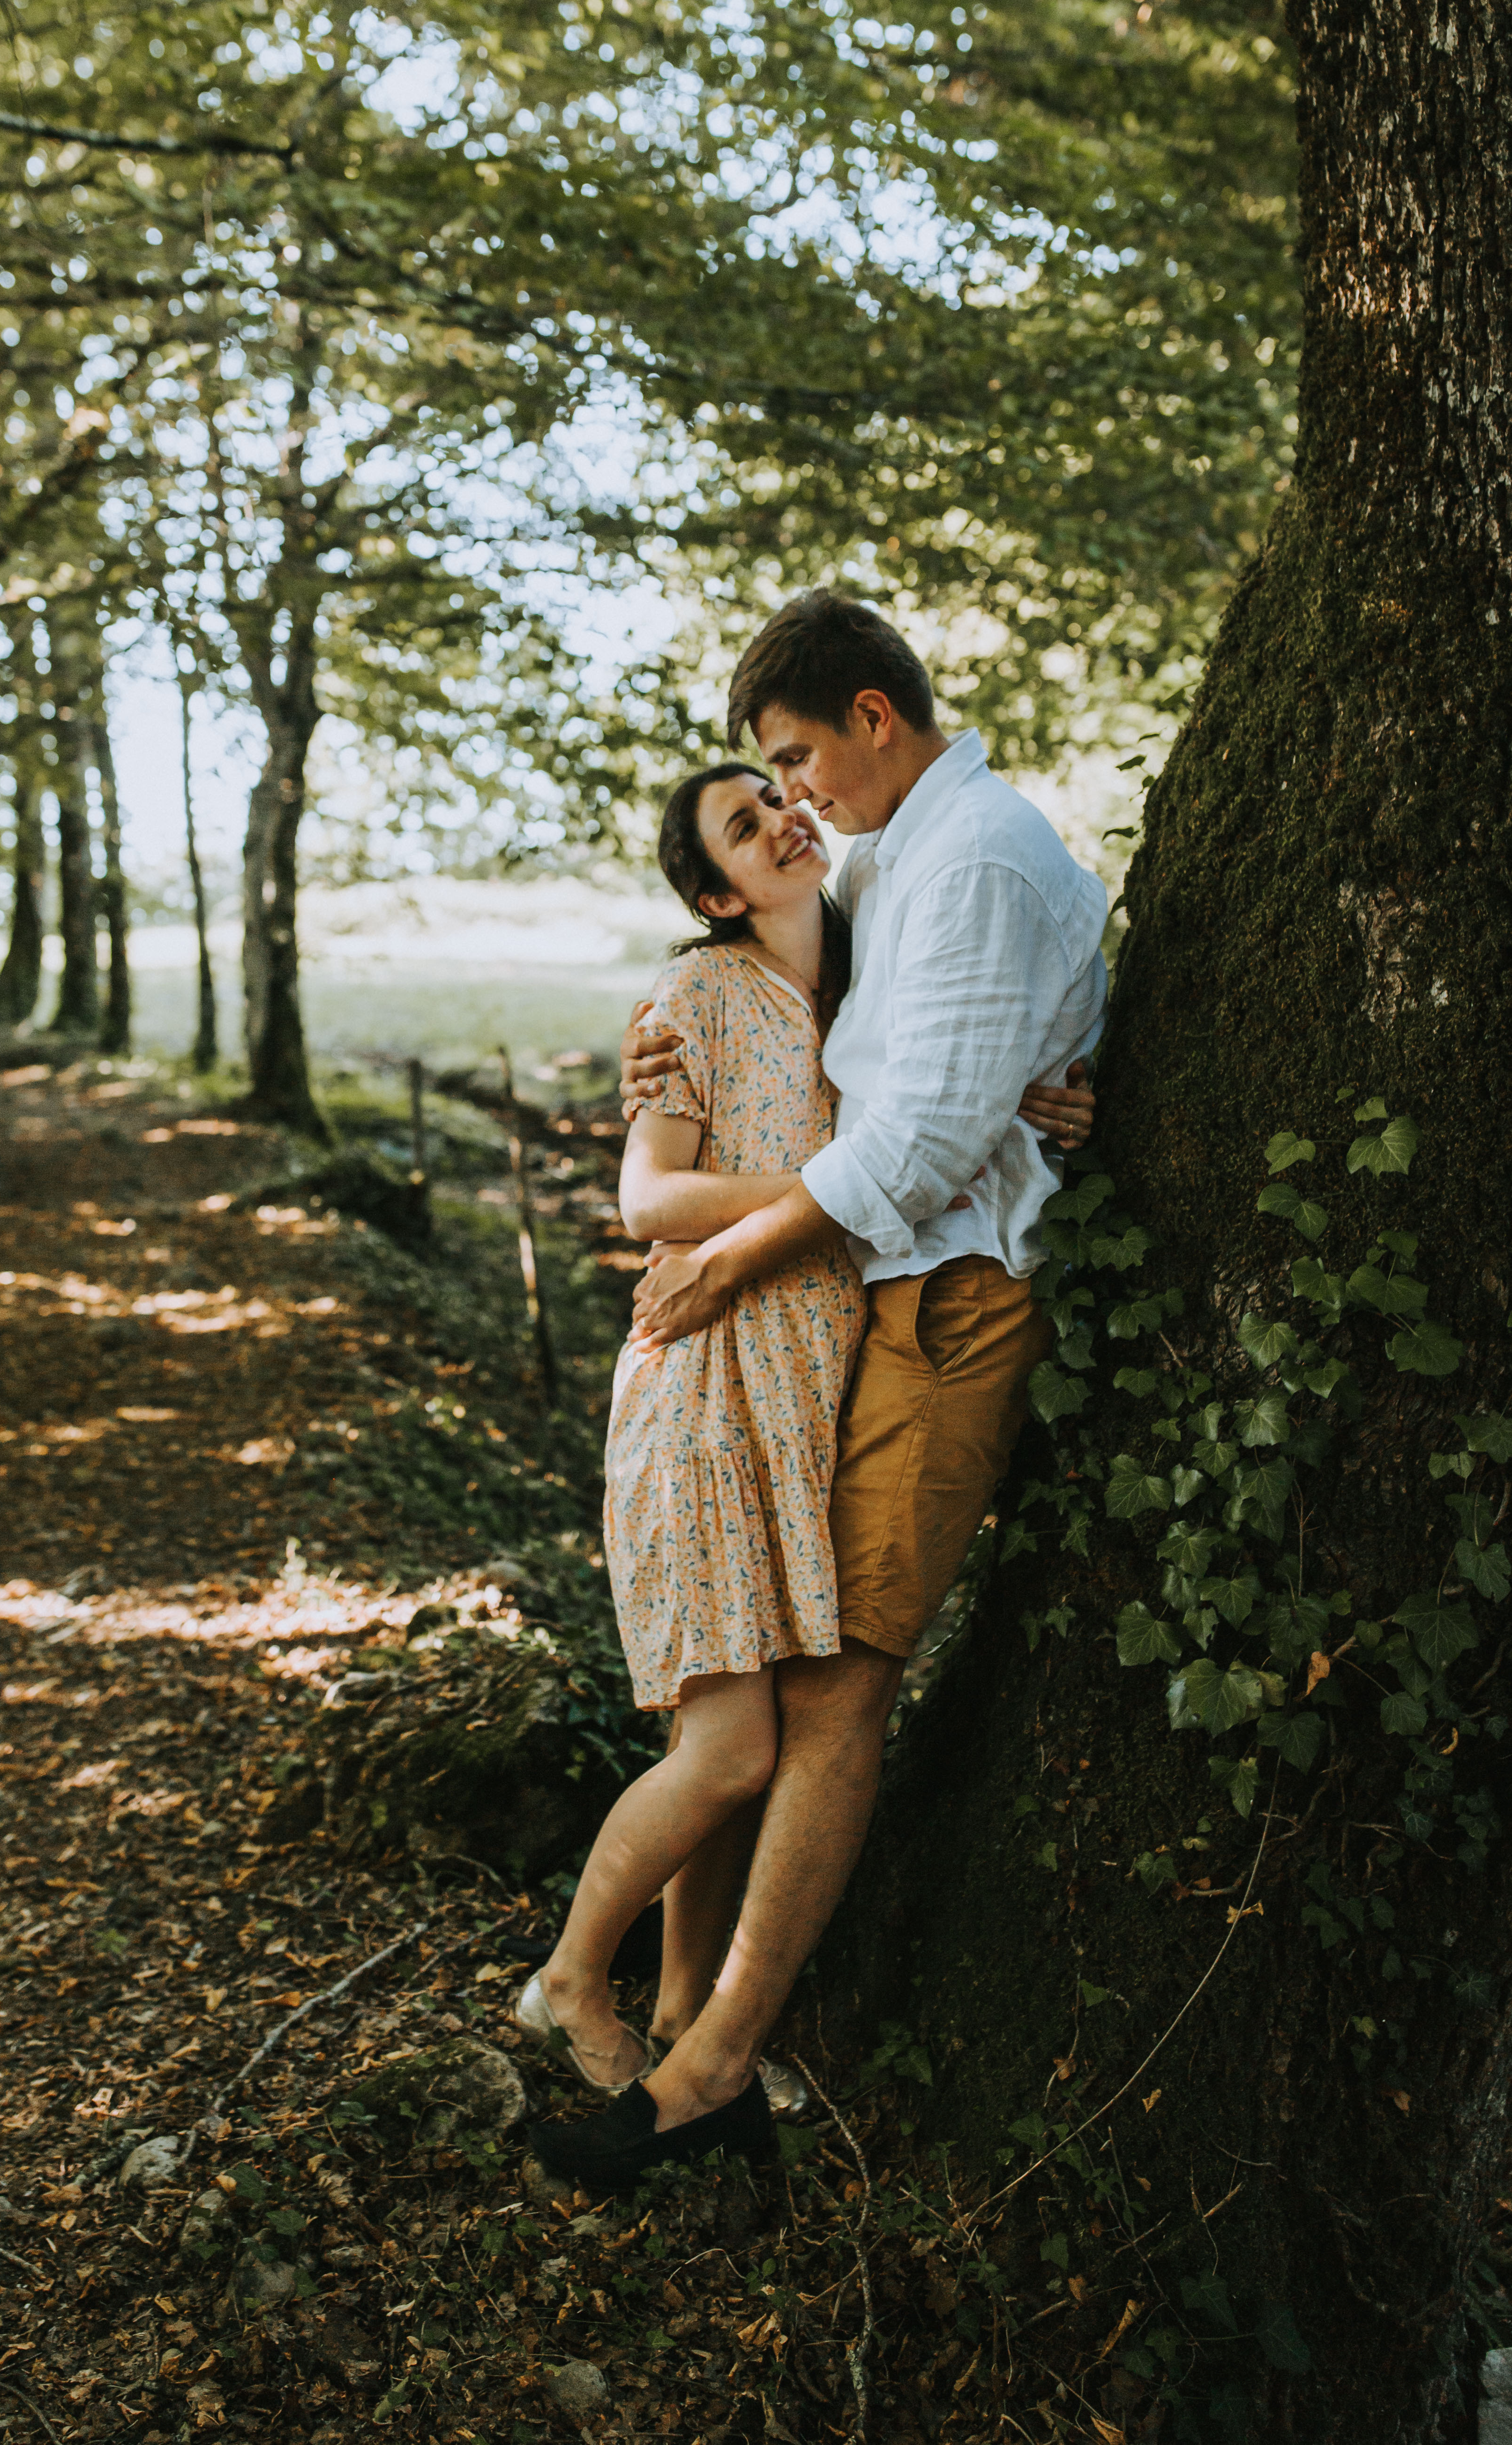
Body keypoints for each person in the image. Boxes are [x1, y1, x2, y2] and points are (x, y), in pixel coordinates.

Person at [529, 589, 1107, 2194]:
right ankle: (660, 2011)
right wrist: (675, 1033)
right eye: (762, 790)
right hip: (825, 1334)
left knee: (836, 1684)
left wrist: (734, 1247)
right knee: (772, 1688)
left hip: (942, 1305)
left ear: (872, 717)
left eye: (795, 760)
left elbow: (913, 1147)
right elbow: (779, 977)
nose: (794, 799)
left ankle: (711, 2063)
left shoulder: (968, 858)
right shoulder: (880, 861)